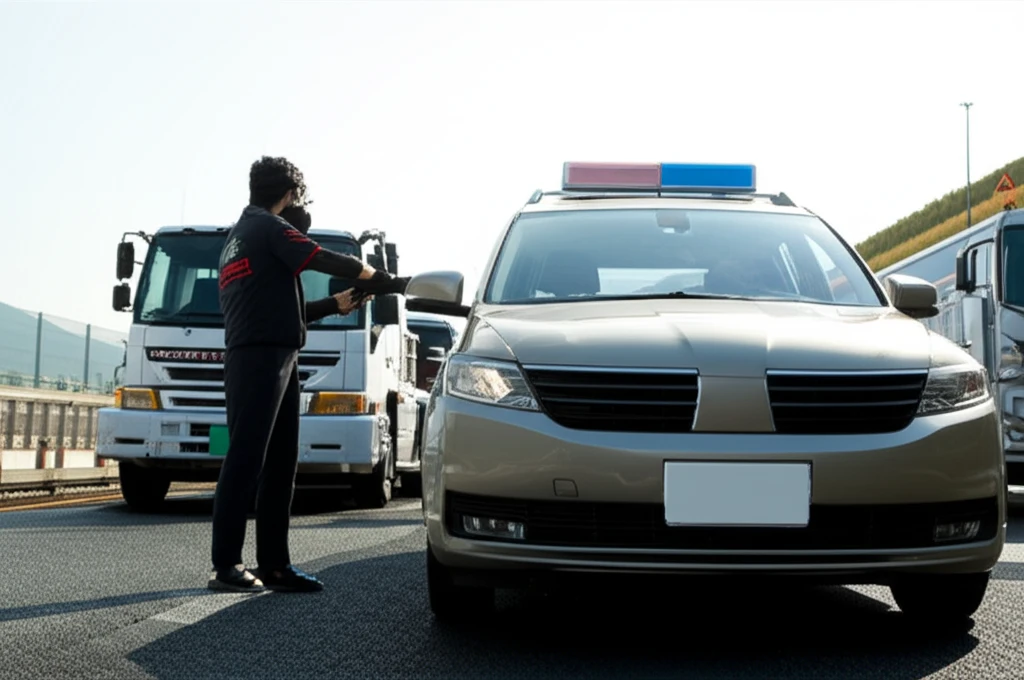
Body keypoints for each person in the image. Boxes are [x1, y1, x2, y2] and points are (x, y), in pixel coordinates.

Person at [210, 155, 409, 593]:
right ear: (289, 194)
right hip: (262, 357)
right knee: (246, 458)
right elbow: (320, 257)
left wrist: (334, 305)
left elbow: (278, 307)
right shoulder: (269, 227)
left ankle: (275, 566)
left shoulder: (239, 237)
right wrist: (377, 276)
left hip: (272, 354)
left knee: (280, 463)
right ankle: (226, 564)